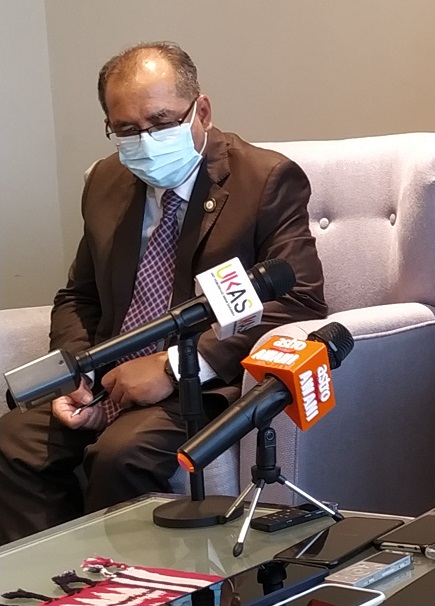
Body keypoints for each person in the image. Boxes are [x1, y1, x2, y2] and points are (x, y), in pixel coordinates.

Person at [0, 41, 328, 544]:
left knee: (120, 453)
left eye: (161, 121)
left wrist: (172, 367)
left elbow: (299, 299)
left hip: (200, 384)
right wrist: (77, 374)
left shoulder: (264, 179)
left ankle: (129, 589)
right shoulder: (107, 179)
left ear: (202, 110)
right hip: (107, 375)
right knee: (13, 441)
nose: (146, 141)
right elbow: (79, 297)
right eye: (127, 130)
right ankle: (59, 583)